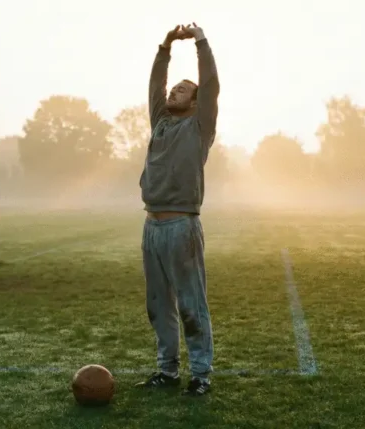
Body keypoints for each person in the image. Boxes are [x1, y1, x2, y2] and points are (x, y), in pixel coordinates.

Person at [135, 22, 219, 397]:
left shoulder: (199, 127)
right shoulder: (161, 123)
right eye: (174, 87)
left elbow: (211, 84)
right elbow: (155, 84)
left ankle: (200, 374)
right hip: (151, 227)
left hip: (182, 228)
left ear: (196, 102)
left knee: (190, 305)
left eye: (182, 89)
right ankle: (167, 372)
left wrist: (200, 42)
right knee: (158, 307)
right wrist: (165, 46)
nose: (173, 90)